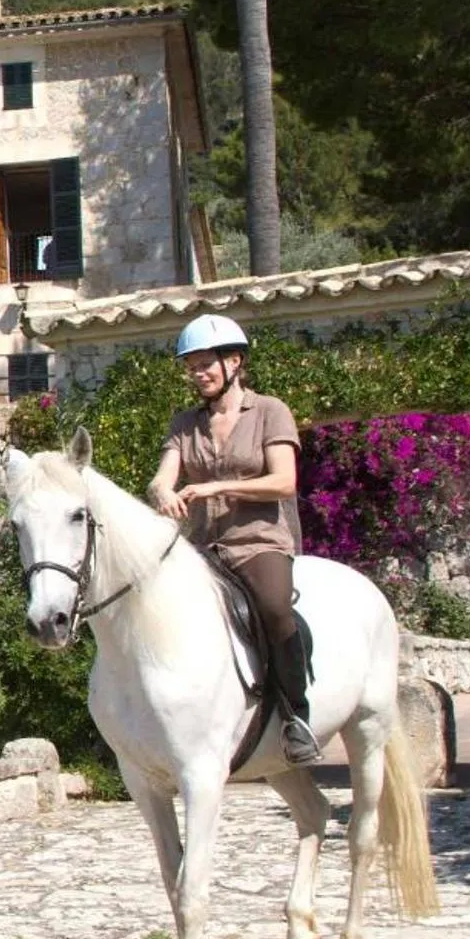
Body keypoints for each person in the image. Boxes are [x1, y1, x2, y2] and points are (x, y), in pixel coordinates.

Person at [147, 316, 320, 766]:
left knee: (275, 609)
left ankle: (295, 717)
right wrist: (164, 492)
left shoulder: (270, 411)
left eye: (206, 365)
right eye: (192, 367)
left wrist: (214, 488)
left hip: (258, 541)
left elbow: (283, 482)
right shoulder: (184, 424)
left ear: (235, 362)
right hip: (203, 546)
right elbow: (162, 478)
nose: (198, 374)